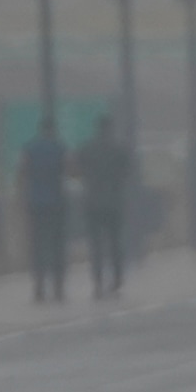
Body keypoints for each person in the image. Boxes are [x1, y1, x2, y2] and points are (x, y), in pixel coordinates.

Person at [79, 117, 134, 297]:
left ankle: (97, 280)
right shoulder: (118, 149)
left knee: (95, 245)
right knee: (115, 242)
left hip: (93, 202)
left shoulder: (87, 148)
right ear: (110, 129)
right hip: (114, 202)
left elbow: (76, 171)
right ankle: (117, 278)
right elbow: (128, 172)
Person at [19, 121, 73, 302]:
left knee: (38, 245)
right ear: (53, 130)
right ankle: (58, 287)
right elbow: (69, 171)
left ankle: (39, 286)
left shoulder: (30, 149)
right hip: (56, 202)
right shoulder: (59, 148)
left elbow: (22, 173)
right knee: (57, 246)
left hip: (35, 203)